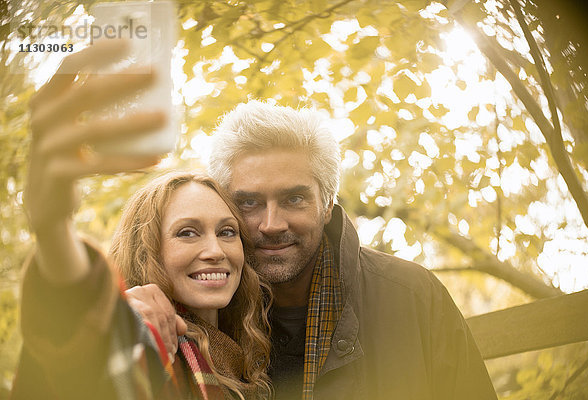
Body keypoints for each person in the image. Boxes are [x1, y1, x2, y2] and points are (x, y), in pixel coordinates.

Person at [134, 100, 498, 399]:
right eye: (248, 203)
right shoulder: (199, 314)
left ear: (326, 205)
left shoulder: (411, 297)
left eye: (294, 198)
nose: (272, 223)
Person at [11, 41, 271, 400]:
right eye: (187, 233)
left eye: (227, 232)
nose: (215, 250)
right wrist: (53, 228)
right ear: (147, 251)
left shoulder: (250, 365)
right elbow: (79, 328)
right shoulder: (144, 339)